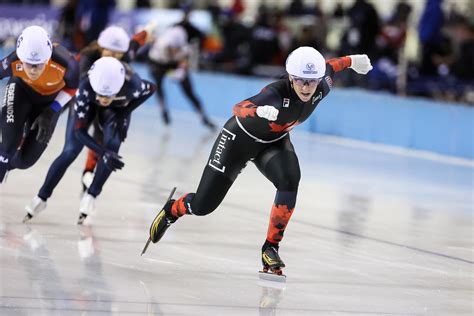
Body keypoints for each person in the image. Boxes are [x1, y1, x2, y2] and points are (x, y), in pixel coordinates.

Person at [145, 47, 372, 276]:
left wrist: (353, 60)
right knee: (203, 207)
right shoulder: (275, 93)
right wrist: (259, 111)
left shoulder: (322, 85)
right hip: (238, 142)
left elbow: (332, 65)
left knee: (290, 179)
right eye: (301, 81)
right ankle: (173, 209)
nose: (306, 87)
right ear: (291, 78)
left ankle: (270, 248)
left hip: (273, 142)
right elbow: (238, 108)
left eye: (311, 82)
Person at [23, 57, 156, 224]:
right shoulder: (84, 87)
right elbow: (79, 131)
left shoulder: (133, 85)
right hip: (88, 104)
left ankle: (92, 194)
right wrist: (102, 153)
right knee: (70, 151)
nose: (104, 99)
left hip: (116, 110)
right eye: (101, 94)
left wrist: (124, 113)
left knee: (113, 144)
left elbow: (151, 88)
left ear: (120, 86)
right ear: (95, 88)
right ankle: (42, 197)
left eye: (109, 95)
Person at [0, 25, 79, 183]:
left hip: (49, 104)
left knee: (25, 161)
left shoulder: (67, 63)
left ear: (48, 58)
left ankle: (5, 162)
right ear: (21, 58)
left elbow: (72, 87)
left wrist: (51, 111)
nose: (34, 70)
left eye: (39, 64)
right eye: (29, 64)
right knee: (9, 145)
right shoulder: (13, 61)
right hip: (21, 91)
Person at [76, 25, 150, 191]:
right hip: (90, 97)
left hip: (113, 100)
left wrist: (148, 30)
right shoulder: (88, 56)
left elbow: (136, 42)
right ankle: (88, 171)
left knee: (112, 133)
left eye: (119, 53)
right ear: (101, 47)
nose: (115, 56)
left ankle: (90, 177)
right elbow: (78, 84)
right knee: (93, 130)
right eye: (110, 52)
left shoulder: (126, 53)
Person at [147, 26, 216, 129]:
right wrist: (172, 73)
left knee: (190, 92)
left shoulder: (185, 48)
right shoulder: (160, 46)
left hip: (174, 63)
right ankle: (163, 110)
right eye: (173, 48)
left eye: (178, 48)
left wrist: (181, 70)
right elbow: (162, 68)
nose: (175, 50)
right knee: (158, 86)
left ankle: (203, 117)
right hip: (158, 63)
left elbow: (185, 62)